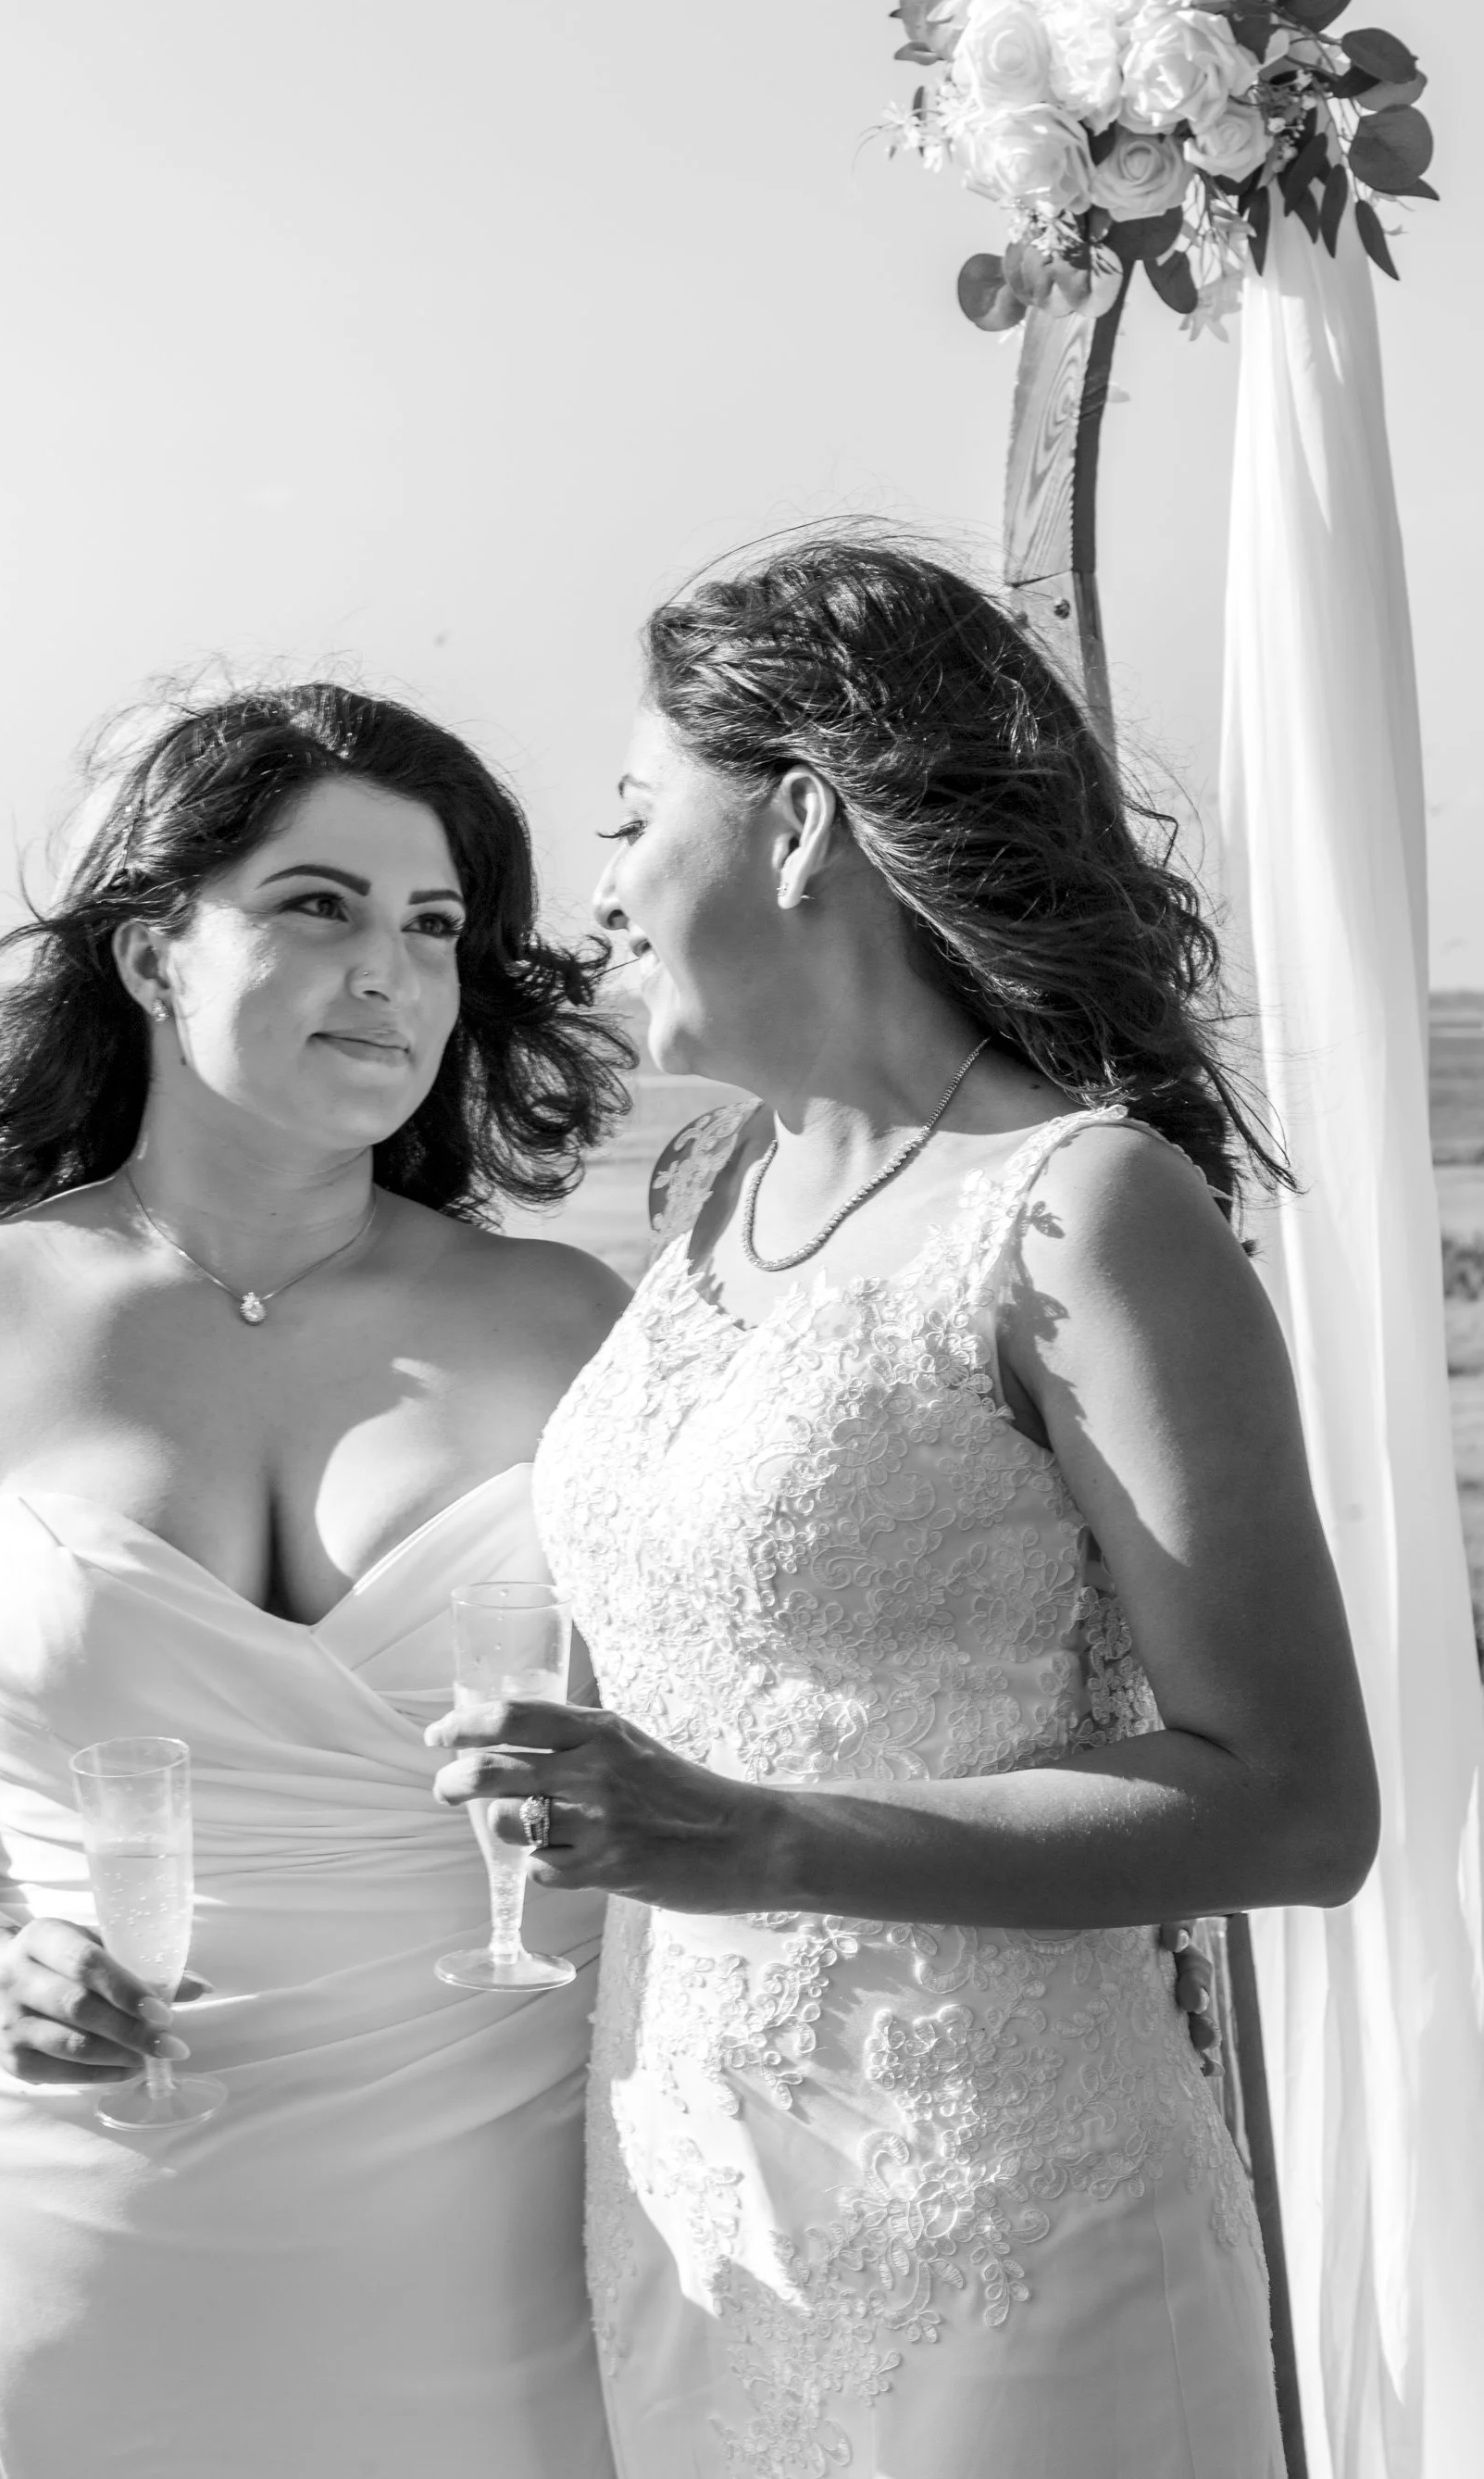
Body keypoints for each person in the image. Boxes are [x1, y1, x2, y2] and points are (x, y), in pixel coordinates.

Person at [432, 530, 1380, 2479]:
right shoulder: (706, 1196)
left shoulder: (1084, 1206)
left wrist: (766, 1837)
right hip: (697, 2205)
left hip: (1002, 2226)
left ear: (797, 824)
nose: (596, 892)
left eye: (629, 820)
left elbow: (1296, 1802)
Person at [0, 682, 633, 2479]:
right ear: (152, 952)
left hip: (497, 2210)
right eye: (319, 905)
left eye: (435, 926)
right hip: (62, 2216)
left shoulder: (574, 1332)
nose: (391, 971)